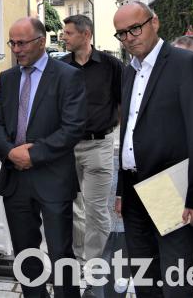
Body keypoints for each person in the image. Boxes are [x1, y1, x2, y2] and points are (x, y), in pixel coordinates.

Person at [0, 17, 87, 298]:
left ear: (41, 42)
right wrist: (10, 152)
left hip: (53, 178)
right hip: (16, 179)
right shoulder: (7, 78)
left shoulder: (67, 76)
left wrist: (32, 154)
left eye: (22, 43)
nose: (16, 49)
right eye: (12, 43)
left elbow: (73, 128)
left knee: (60, 253)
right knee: (25, 252)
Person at [112, 2, 193, 298]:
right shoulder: (129, 72)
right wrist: (121, 190)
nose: (129, 38)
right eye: (122, 34)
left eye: (135, 28)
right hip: (134, 190)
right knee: (144, 280)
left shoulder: (185, 64)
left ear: (155, 23)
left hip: (169, 187)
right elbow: (127, 133)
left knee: (175, 281)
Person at [59, 15, 123, 298]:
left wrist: (113, 131)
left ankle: (97, 271)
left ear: (86, 35)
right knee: (73, 208)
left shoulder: (111, 66)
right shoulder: (61, 66)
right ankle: (77, 262)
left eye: (69, 33)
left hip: (99, 146)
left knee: (97, 211)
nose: (63, 37)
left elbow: (122, 103)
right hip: (67, 147)